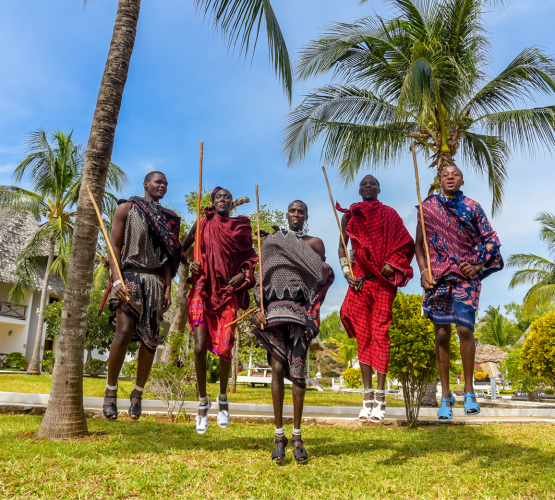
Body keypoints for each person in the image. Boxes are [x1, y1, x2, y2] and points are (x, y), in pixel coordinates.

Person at [415, 165, 503, 422]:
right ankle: (445, 395)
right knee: (442, 334)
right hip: (437, 276)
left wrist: (477, 265)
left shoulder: (472, 207)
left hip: (465, 276)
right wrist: (424, 271)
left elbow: (491, 240)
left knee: (465, 330)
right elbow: (418, 245)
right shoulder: (427, 207)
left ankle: (469, 391)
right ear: (439, 180)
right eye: (445, 175)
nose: (450, 177)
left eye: (455, 174)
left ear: (462, 180)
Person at [253, 201, 334, 465]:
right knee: (277, 368)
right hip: (274, 313)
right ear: (287, 215)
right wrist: (259, 307)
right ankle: (279, 437)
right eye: (292, 211)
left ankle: (297, 436)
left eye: (301, 211)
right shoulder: (272, 241)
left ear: (306, 216)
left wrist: (312, 315)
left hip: (300, 314)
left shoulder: (315, 244)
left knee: (298, 373)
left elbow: (321, 278)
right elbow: (260, 277)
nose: (296, 214)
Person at [104, 171, 183, 421]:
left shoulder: (168, 218)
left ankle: (137, 394)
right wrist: (117, 279)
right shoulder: (126, 208)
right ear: (146, 184)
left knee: (151, 339)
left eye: (166, 184)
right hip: (129, 276)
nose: (163, 186)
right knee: (124, 331)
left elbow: (169, 257)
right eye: (159, 182)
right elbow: (114, 246)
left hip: (156, 281)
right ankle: (110, 390)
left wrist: (168, 288)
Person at [338, 175, 415, 423]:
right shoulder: (350, 216)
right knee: (363, 336)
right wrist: (347, 273)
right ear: (359, 190)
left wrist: (393, 263)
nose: (368, 186)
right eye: (364, 184)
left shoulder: (390, 214)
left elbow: (406, 244)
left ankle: (381, 398)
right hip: (360, 282)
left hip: (382, 283)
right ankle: (367, 397)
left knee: (380, 335)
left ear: (379, 189)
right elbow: (342, 248)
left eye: (372, 184)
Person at [182, 187, 258, 434]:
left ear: (231, 202)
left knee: (225, 348)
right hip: (202, 288)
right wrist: (190, 264)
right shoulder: (202, 223)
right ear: (212, 202)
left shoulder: (240, 226)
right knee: (198, 347)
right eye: (218, 197)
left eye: (227, 197)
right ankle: (203, 402)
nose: (222, 200)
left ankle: (223, 398)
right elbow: (182, 248)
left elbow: (250, 257)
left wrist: (242, 275)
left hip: (227, 292)